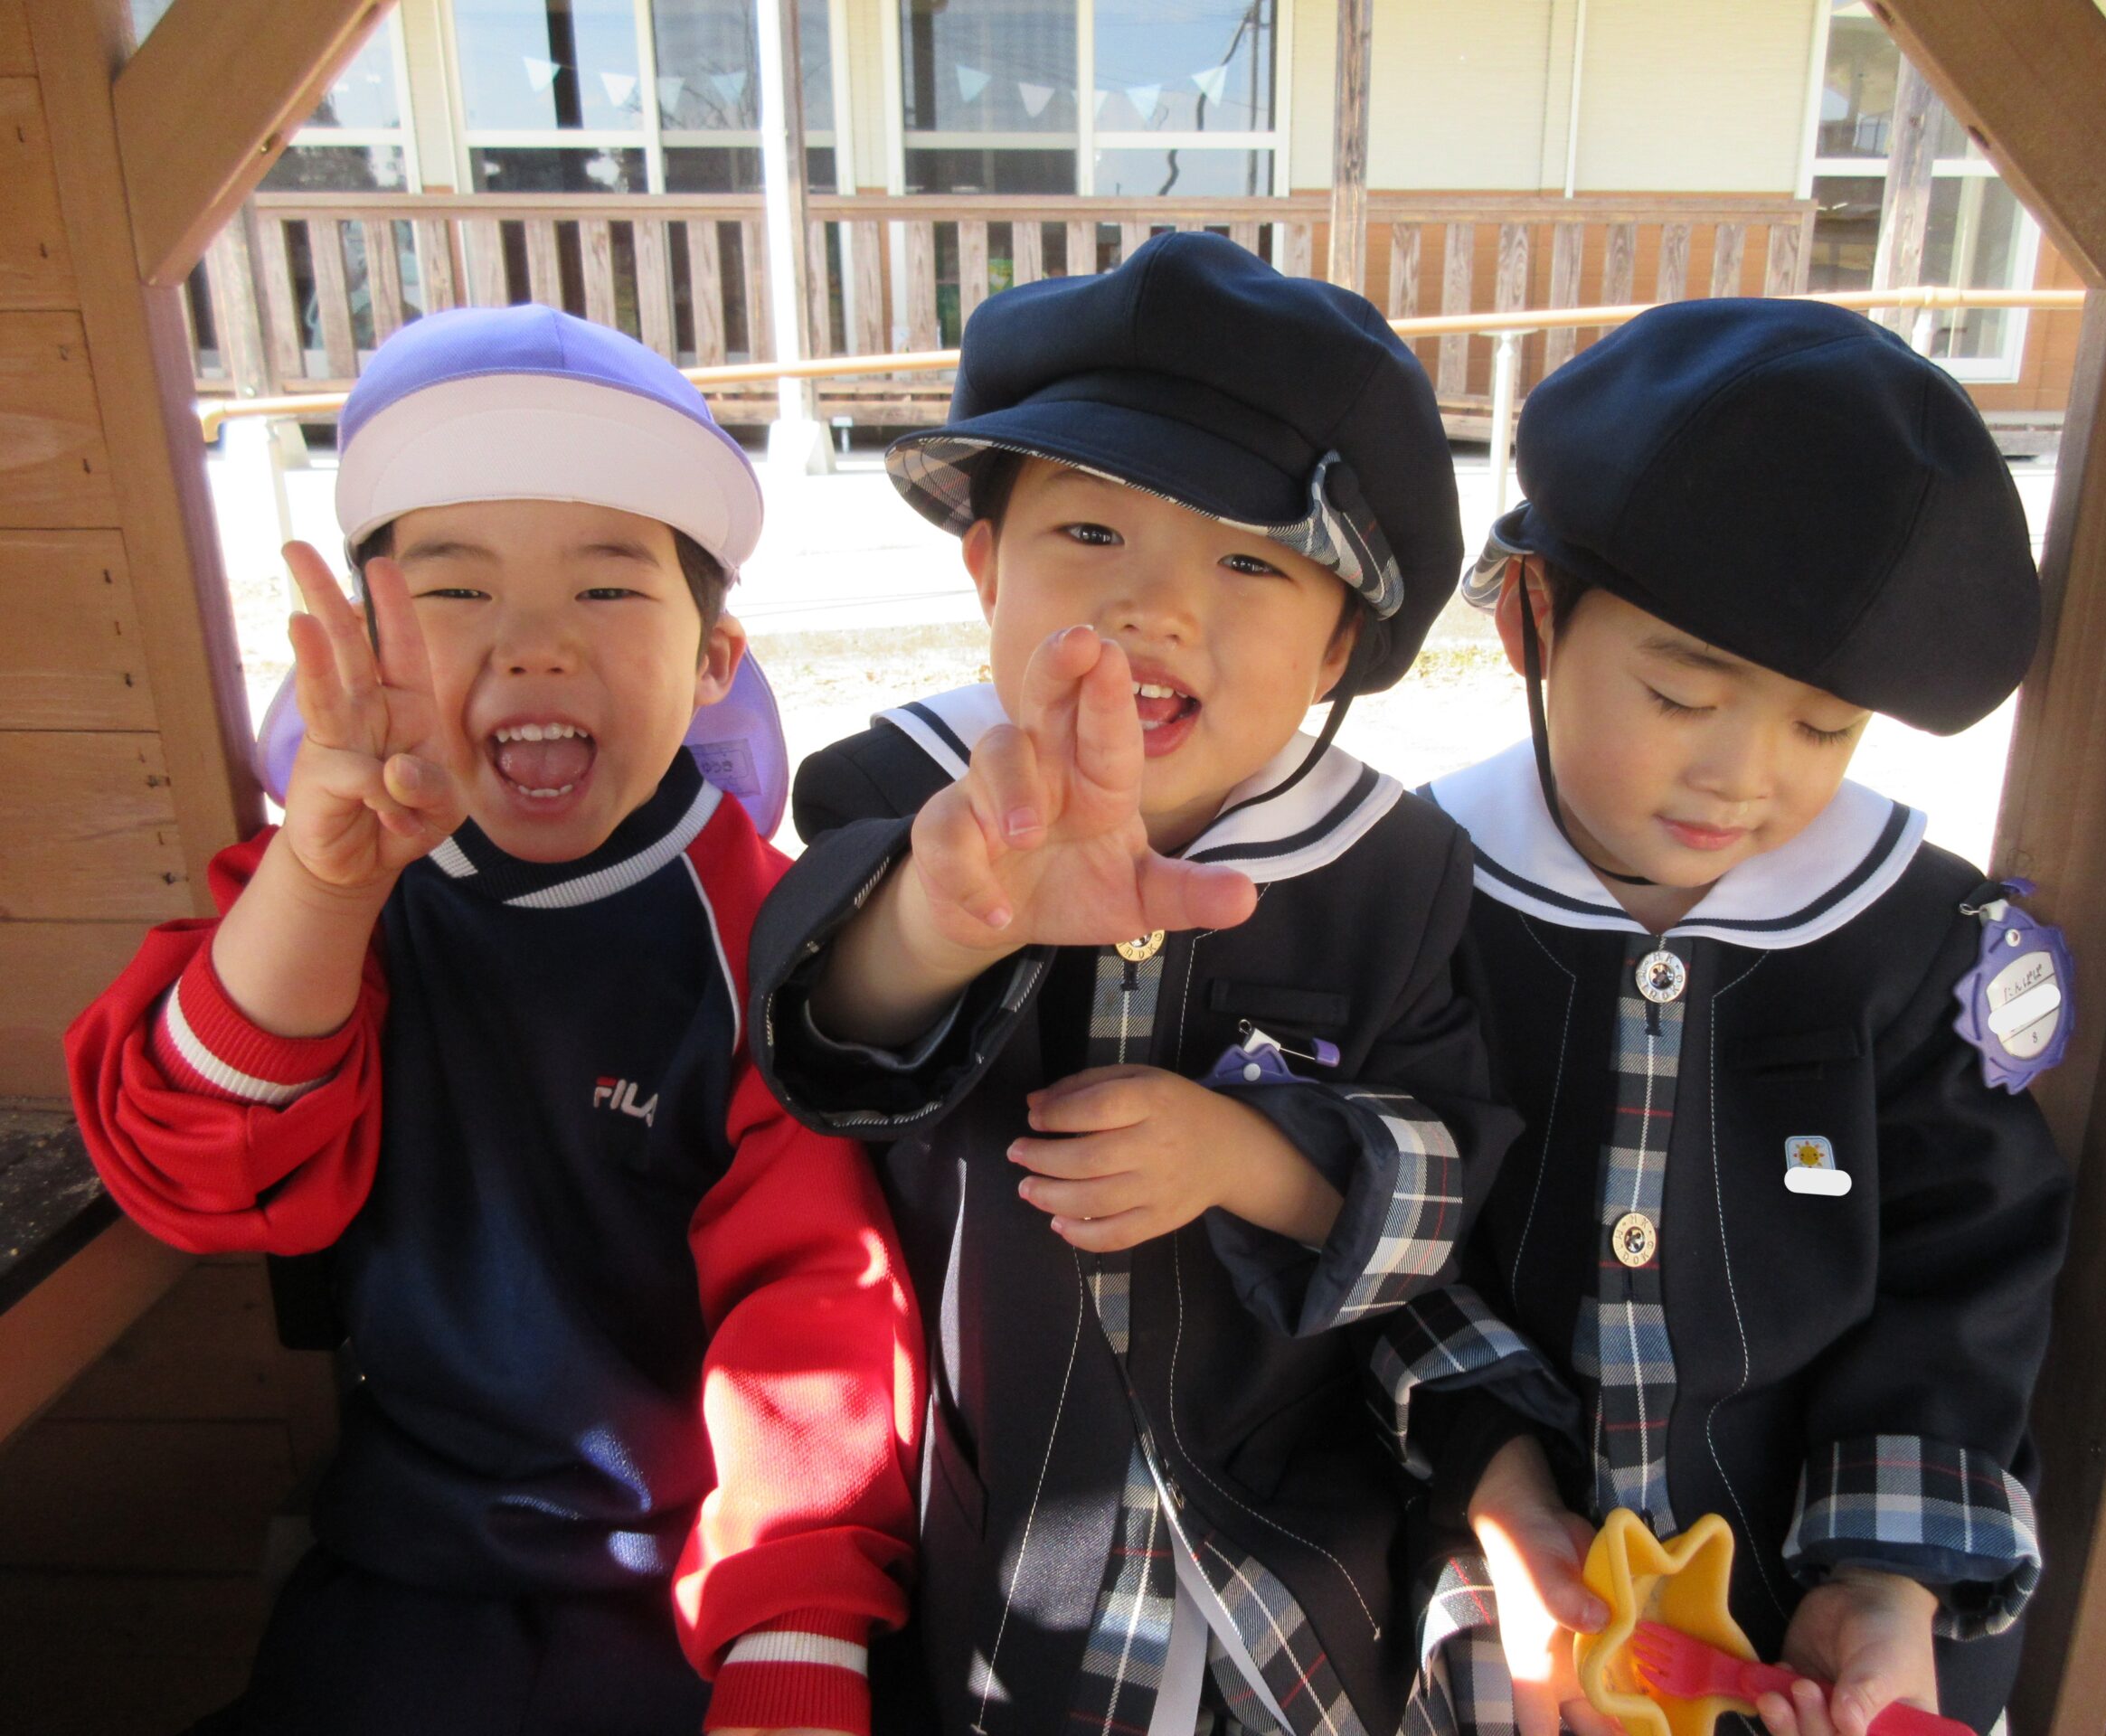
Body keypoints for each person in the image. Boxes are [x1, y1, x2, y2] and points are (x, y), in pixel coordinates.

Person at [66, 306, 919, 1736]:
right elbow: (197, 1171)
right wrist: (322, 886)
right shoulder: (329, 886)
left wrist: (796, 1631)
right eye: (455, 591)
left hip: (696, 1586)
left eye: (606, 589)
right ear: (367, 643)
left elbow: (817, 1299)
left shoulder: (762, 934)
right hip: (399, 1570)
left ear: (715, 659)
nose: (531, 646)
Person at [744, 232, 1521, 1735]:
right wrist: (940, 923)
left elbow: (1449, 1168)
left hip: (1287, 1551)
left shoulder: (1387, 870)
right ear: (986, 567)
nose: (1157, 605)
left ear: (1341, 641)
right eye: (1092, 532)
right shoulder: (906, 797)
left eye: (1248, 560)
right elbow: (823, 1033)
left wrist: (1251, 1159)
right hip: (1004, 1543)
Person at [1393, 297, 2073, 1736]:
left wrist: (1886, 1577)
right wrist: (1499, 1487)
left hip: (1798, 1609)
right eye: (1681, 694)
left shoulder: (1915, 941)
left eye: (1824, 727)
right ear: (1531, 614)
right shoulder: (1417, 894)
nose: (1745, 778)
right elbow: (1382, 1227)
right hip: (1486, 1555)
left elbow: (1970, 1267)